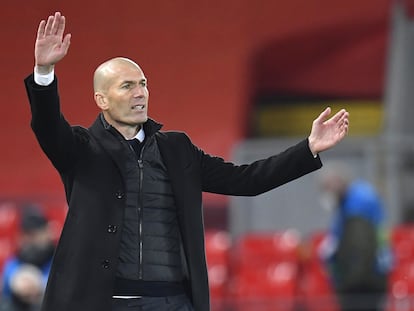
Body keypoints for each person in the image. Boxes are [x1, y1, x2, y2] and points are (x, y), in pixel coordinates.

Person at [24, 12, 349, 311]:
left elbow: (248, 180)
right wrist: (44, 72)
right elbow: (48, 125)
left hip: (172, 302)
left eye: (143, 84)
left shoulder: (176, 149)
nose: (140, 93)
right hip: (105, 302)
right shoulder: (82, 148)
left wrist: (309, 148)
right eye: (128, 86)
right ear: (102, 100)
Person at [318, 164, 392, 311]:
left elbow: (360, 247)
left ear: (337, 184)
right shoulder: (347, 203)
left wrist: (346, 284)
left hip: (363, 281)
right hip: (364, 276)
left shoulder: (358, 202)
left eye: (327, 188)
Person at [1, 206, 54, 299]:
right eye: (27, 234)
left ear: (47, 233)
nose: (30, 240)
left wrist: (39, 284)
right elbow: (10, 278)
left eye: (35, 234)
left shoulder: (57, 259)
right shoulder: (15, 260)